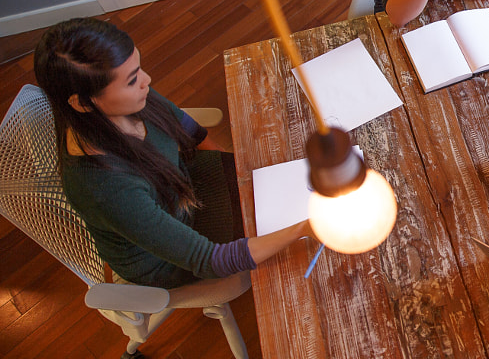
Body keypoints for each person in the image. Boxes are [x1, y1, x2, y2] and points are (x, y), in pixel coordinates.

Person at [34, 17, 313, 289]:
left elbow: (189, 129)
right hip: (167, 260)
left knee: (281, 176)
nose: (147, 80)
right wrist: (305, 228)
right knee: (297, 259)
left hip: (182, 184)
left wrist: (231, 171)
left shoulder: (130, 98)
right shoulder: (103, 187)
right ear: (83, 103)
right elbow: (210, 260)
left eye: (139, 68)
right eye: (131, 80)